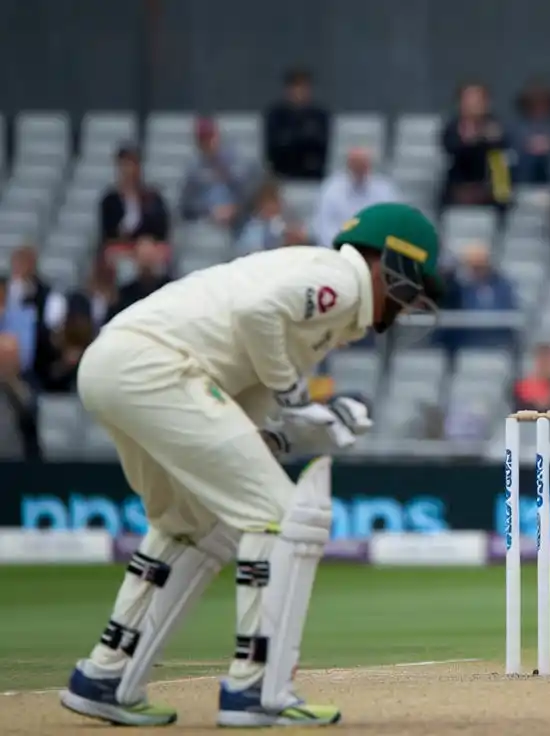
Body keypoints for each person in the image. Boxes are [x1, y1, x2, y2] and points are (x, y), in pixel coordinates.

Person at [58, 203, 445, 728]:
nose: (405, 307)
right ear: (393, 262)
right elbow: (256, 313)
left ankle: (106, 674)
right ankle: (257, 690)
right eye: (412, 288)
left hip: (116, 368)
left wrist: (311, 424)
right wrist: (296, 396)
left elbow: (247, 430)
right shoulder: (342, 281)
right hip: (159, 367)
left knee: (190, 524)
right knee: (281, 517)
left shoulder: (312, 308)